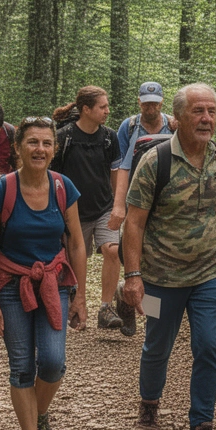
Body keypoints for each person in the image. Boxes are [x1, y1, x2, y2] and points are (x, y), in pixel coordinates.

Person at [120, 82, 216, 430]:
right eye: (198, 111)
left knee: (208, 346)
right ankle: (149, 405)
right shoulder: (154, 161)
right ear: (179, 118)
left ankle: (201, 429)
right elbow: (134, 223)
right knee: (158, 344)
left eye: (211, 111)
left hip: (210, 273)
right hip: (159, 276)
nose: (206, 118)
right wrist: (134, 275)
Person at [0, 117, 88, 430]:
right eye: (32, 143)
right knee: (23, 366)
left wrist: (81, 297)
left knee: (54, 362)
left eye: (46, 143)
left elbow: (75, 242)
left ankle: (40, 416)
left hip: (53, 283)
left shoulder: (63, 187)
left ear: (54, 150)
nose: (39, 149)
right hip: (11, 284)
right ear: (18, 148)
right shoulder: (2, 190)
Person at [50, 87, 124, 331]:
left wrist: (117, 205)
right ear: (86, 109)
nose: (107, 111)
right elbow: (53, 178)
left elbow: (116, 173)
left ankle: (106, 308)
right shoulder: (63, 137)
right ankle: (76, 301)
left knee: (112, 251)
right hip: (73, 212)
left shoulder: (110, 137)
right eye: (102, 107)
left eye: (107, 106)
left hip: (104, 208)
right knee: (75, 261)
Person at [109, 81, 175, 336]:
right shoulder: (128, 127)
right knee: (135, 254)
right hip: (138, 198)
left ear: (161, 102)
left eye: (155, 103)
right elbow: (123, 166)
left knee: (162, 257)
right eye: (146, 103)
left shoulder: (173, 124)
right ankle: (140, 305)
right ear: (139, 103)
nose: (151, 108)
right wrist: (119, 205)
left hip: (168, 200)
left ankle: (147, 309)